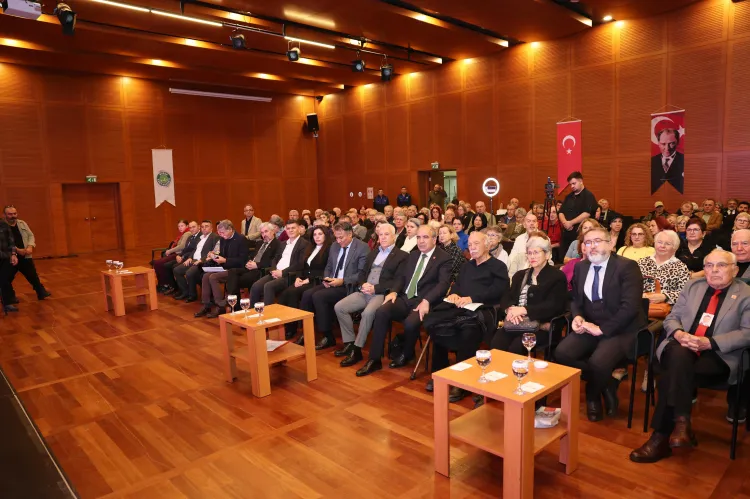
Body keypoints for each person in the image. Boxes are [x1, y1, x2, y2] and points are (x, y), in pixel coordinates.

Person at [630, 249, 750, 463]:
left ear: (735, 269)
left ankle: (661, 436)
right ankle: (681, 424)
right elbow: (672, 317)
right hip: (682, 345)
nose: (714, 270)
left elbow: (747, 332)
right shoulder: (693, 286)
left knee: (673, 372)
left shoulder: (746, 294)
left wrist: (710, 342)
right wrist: (678, 333)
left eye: (721, 265)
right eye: (709, 265)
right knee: (679, 355)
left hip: (718, 354)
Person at [555, 227, 647, 422]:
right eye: (588, 242)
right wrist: (578, 316)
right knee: (562, 354)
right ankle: (606, 382)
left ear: (611, 243)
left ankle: (592, 396)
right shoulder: (581, 267)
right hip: (590, 324)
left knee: (598, 363)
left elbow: (630, 308)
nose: (592, 246)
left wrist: (602, 329)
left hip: (621, 328)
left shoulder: (627, 267)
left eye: (597, 241)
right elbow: (576, 300)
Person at [356, 225, 452, 376]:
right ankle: (374, 359)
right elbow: (401, 277)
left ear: (435, 239)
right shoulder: (412, 255)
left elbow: (443, 284)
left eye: (425, 237)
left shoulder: (443, 258)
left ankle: (407, 354)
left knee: (410, 323)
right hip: (405, 297)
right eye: (418, 237)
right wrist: (394, 291)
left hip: (425, 301)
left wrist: (427, 300)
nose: (421, 241)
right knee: (381, 312)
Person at [425, 232, 510, 401]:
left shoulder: (498, 266)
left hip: (484, 310)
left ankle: (461, 382)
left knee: (468, 331)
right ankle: (441, 372)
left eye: (476, 244)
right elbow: (457, 285)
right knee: (437, 325)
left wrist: (472, 298)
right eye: (470, 245)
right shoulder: (467, 265)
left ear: (487, 245)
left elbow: (499, 291)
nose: (472, 248)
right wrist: (454, 294)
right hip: (461, 308)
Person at [333, 224, 408, 367]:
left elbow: (398, 280)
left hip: (381, 293)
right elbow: (362, 273)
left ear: (394, 237)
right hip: (365, 291)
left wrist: (376, 288)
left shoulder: (402, 256)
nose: (383, 237)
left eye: (387, 234)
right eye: (381, 235)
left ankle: (357, 350)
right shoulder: (373, 253)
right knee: (339, 307)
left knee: (367, 313)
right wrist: (362, 285)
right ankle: (349, 343)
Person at [492, 234, 567, 354]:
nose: (532, 256)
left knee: (517, 346)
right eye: (529, 253)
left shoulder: (557, 277)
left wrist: (524, 310)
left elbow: (554, 306)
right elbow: (507, 297)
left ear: (547, 254)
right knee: (497, 343)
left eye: (536, 252)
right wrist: (510, 310)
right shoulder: (520, 275)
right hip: (516, 322)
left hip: (542, 326)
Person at [298, 222, 369, 350]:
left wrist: (342, 281)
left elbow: (361, 274)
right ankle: (307, 332)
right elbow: (329, 266)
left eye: (341, 237)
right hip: (333, 282)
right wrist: (326, 279)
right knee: (307, 294)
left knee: (319, 296)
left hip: (348, 285)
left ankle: (328, 336)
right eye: (336, 237)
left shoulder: (362, 247)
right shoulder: (335, 246)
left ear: (350, 234)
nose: (338, 241)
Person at [279, 227, 332, 339]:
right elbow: (302, 266)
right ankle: (289, 327)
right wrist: (298, 277)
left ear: (325, 235)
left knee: (294, 292)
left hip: (317, 281)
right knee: (286, 292)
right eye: (315, 234)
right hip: (305, 279)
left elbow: (325, 270)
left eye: (320, 234)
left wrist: (308, 280)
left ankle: (302, 331)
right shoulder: (311, 248)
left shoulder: (329, 249)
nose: (317, 237)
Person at [195, 220, 249, 318]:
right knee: (206, 276)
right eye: (219, 233)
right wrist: (214, 256)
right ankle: (206, 305)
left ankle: (220, 306)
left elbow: (242, 260)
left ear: (230, 229)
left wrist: (225, 260)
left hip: (236, 270)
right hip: (224, 267)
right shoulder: (223, 239)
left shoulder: (241, 239)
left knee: (213, 277)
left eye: (223, 232)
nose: (221, 235)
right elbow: (222, 255)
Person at [251, 220, 310, 305]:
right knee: (256, 286)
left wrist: (282, 272)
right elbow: (275, 259)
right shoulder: (283, 244)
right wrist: (274, 270)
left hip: (290, 275)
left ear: (299, 229)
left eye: (293, 228)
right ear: (285, 230)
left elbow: (299, 264)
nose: (290, 230)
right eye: (288, 228)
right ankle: (253, 311)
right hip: (276, 272)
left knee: (269, 286)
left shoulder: (304, 244)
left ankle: (269, 313)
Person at [2, 205, 51, 303]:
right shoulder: (2, 227)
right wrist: (17, 250)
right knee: (6, 278)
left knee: (32, 275)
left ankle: (41, 292)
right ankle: (9, 298)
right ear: (4, 215)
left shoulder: (22, 223)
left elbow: (30, 235)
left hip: (25, 256)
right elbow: (5, 243)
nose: (13, 216)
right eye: (10, 214)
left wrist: (30, 246)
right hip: (10, 257)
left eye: (14, 213)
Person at [225, 222, 282, 302]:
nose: (264, 235)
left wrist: (257, 265)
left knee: (234, 281)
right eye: (262, 233)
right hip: (250, 267)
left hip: (260, 269)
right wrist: (249, 261)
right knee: (232, 271)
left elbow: (274, 261)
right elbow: (252, 255)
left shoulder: (278, 244)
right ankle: (234, 302)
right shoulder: (259, 243)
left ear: (273, 231)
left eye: (266, 231)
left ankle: (232, 302)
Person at [638, 231, 690, 308]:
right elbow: (629, 285)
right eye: (659, 242)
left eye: (667, 244)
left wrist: (665, 296)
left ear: (675, 248)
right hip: (639, 307)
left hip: (666, 311)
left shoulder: (680, 267)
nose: (662, 246)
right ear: (654, 243)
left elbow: (685, 293)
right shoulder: (641, 262)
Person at [172, 220, 220, 302]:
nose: (204, 228)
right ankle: (185, 291)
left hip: (202, 262)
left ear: (211, 228)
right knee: (177, 270)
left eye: (206, 226)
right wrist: (190, 258)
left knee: (189, 273)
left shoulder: (214, 237)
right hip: (193, 260)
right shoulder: (201, 237)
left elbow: (215, 252)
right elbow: (195, 250)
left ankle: (192, 295)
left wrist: (201, 260)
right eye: (202, 226)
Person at [559, 171, 598, 257]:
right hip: (566, 233)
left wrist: (571, 223)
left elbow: (587, 213)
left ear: (581, 181)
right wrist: (565, 223)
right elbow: (561, 212)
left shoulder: (588, 196)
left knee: (577, 256)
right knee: (564, 257)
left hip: (579, 234)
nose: (572, 186)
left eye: (574, 183)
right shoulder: (568, 197)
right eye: (570, 184)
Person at [160, 221, 199, 295]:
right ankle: (177, 287)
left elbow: (193, 250)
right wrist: (179, 255)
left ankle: (184, 291)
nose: (192, 229)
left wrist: (182, 256)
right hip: (184, 256)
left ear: (198, 227)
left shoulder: (196, 236)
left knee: (175, 268)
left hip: (192, 259)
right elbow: (185, 249)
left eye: (194, 227)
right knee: (167, 265)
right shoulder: (190, 237)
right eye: (190, 227)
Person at [153, 219, 191, 294]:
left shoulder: (187, 234)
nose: (180, 228)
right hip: (176, 254)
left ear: (187, 226)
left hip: (179, 255)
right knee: (158, 263)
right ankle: (166, 284)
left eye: (182, 226)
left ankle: (166, 284)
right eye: (179, 226)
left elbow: (182, 246)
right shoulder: (182, 234)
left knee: (158, 263)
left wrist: (170, 251)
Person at [650, 128, 684, 194]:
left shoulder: (684, 160)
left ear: (677, 142)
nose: (667, 148)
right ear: (658, 143)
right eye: (663, 144)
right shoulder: (652, 161)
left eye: (671, 143)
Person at [0, 220, 19, 312]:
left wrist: (13, 254)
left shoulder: (3, 224)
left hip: (5, 257)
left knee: (4, 280)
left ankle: (7, 303)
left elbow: (11, 240)